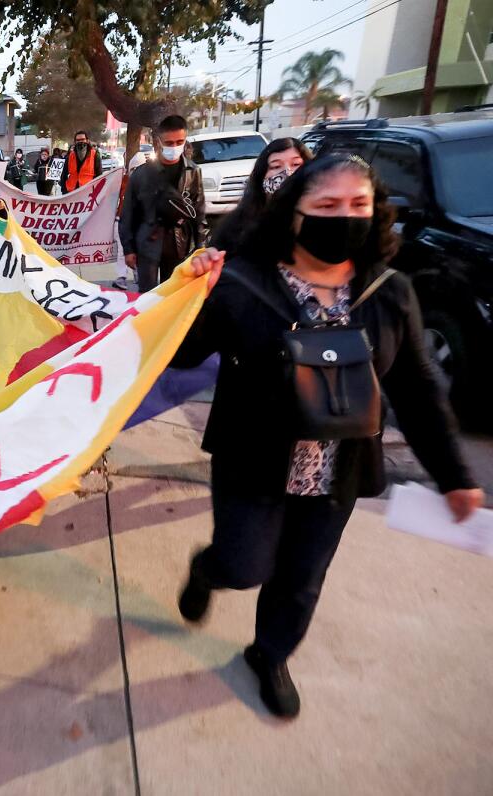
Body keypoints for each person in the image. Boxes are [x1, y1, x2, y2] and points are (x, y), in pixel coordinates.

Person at [169, 154, 484, 719]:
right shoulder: (241, 281)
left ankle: (269, 655)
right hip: (252, 462)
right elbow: (182, 353)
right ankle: (207, 570)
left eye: (358, 205)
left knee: (301, 579)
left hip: (338, 472)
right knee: (245, 565)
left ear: (376, 212)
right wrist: (189, 290)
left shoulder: (390, 294)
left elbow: (417, 390)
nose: (344, 217)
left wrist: (455, 476)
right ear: (294, 214)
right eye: (327, 206)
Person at [118, 115, 206, 292]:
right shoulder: (141, 174)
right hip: (147, 244)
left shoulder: (193, 172)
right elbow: (127, 215)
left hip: (178, 244)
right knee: (147, 298)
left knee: (173, 295)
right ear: (158, 141)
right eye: (169, 143)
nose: (174, 147)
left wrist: (200, 248)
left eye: (179, 142)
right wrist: (128, 249)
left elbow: (199, 212)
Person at [210, 137, 312, 254]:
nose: (287, 172)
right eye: (276, 166)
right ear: (261, 176)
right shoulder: (237, 227)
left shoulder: (323, 219)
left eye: (296, 164)